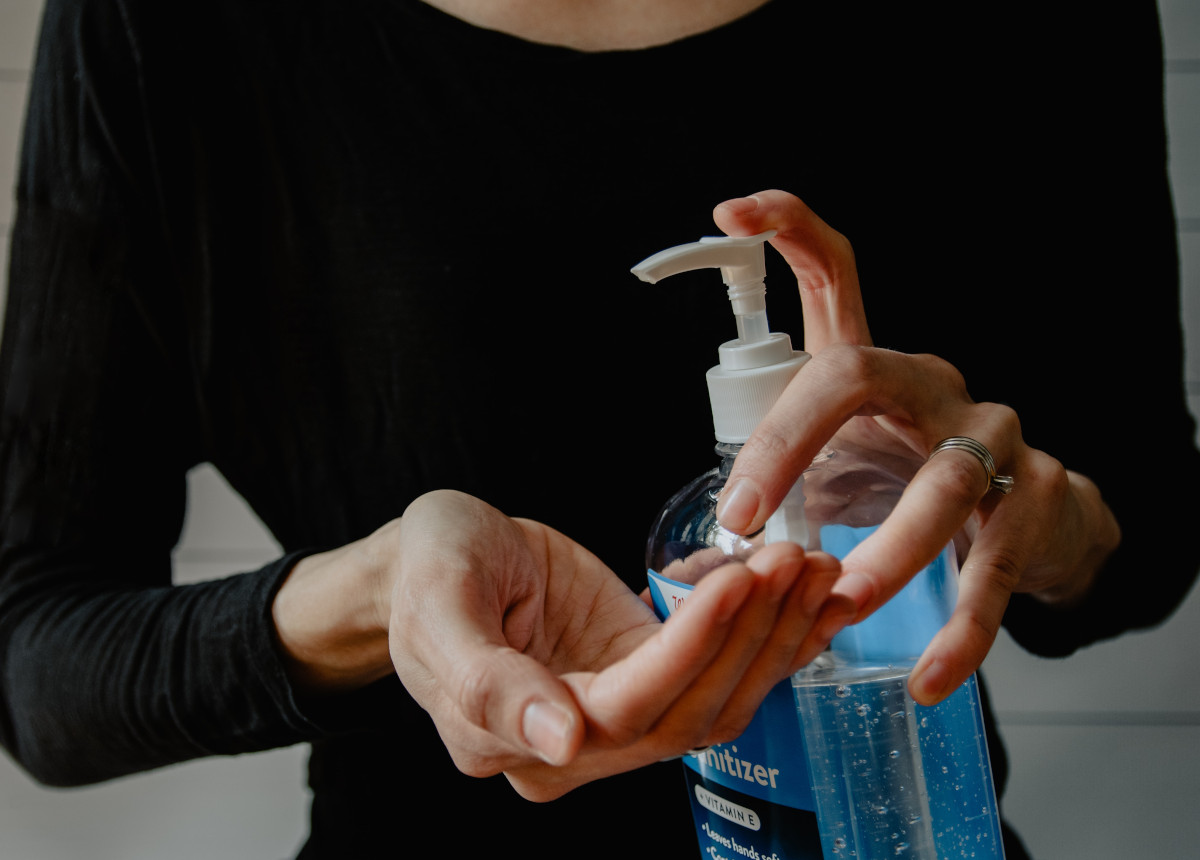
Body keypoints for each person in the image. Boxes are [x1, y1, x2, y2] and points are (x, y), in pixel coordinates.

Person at [0, 1, 1195, 858]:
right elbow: (40, 656)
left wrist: (1047, 522)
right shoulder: (171, 32)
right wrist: (382, 596)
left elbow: (1145, 544)